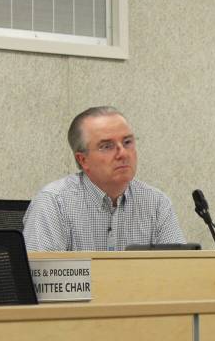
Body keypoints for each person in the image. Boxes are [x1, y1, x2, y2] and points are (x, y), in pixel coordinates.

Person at [23, 106, 186, 251]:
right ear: (83, 160)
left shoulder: (156, 203)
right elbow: (40, 280)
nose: (123, 153)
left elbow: (178, 272)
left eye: (127, 142)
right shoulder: (54, 203)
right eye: (107, 146)